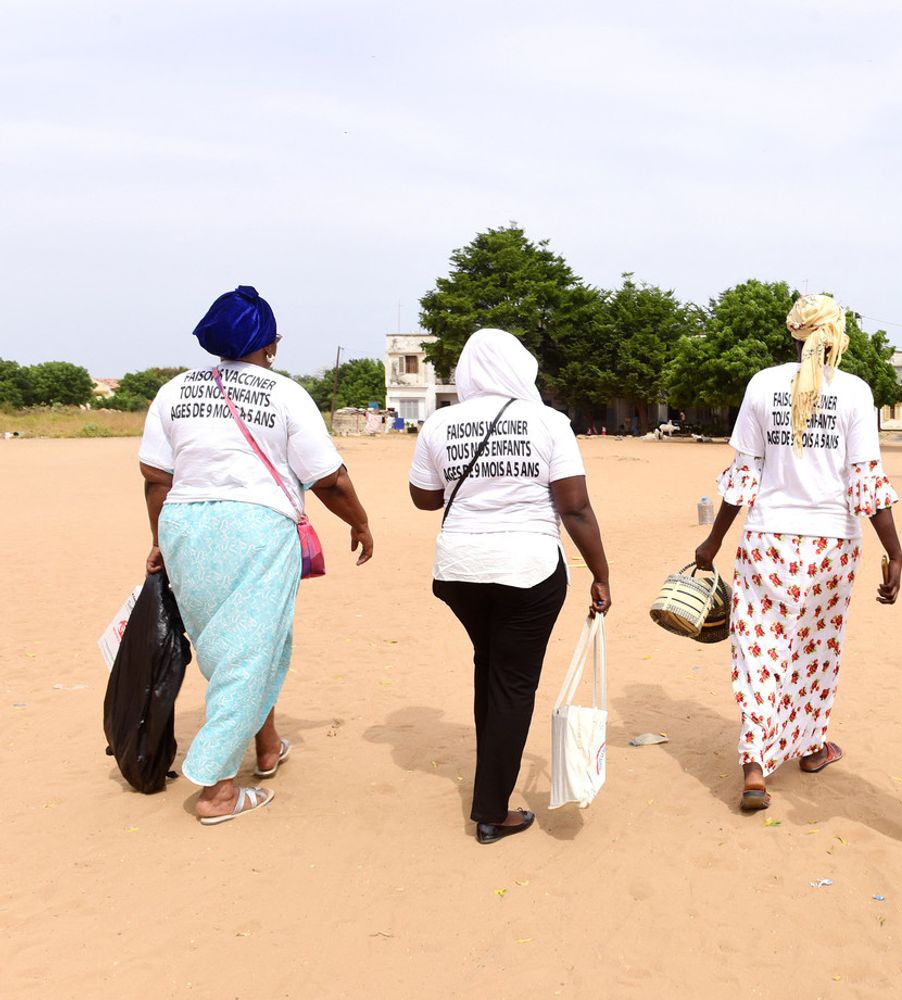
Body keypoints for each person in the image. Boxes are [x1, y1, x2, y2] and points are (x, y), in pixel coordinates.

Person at [138, 286, 374, 825]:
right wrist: (359, 521)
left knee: (236, 643)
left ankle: (267, 747)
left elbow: (156, 479)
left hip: (185, 526)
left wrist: (158, 540)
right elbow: (329, 479)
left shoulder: (173, 391)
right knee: (248, 650)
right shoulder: (285, 393)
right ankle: (218, 791)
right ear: (268, 343)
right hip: (255, 527)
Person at [693, 293, 902, 812]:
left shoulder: (763, 385)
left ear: (794, 332)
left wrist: (713, 539)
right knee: (814, 653)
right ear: (837, 335)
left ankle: (755, 766)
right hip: (832, 547)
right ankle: (811, 748)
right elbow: (865, 482)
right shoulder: (855, 392)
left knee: (759, 653)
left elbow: (745, 477)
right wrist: (895, 552)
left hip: (768, 541)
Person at [408, 328, 611, 844]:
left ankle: (489, 790)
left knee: (492, 670)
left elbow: (425, 499)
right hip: (529, 569)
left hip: (458, 572)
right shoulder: (548, 423)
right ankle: (491, 811)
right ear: (521, 368)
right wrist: (602, 574)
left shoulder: (440, 421)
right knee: (513, 684)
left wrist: (470, 481)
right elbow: (574, 506)